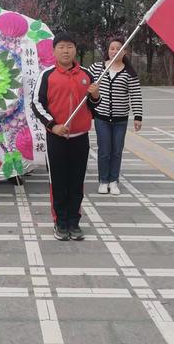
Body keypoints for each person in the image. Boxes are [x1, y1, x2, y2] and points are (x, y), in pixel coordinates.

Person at [32, 32, 101, 241]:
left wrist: (96, 96)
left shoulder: (87, 75)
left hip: (80, 138)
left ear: (75, 50)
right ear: (54, 51)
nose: (65, 50)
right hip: (56, 138)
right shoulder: (47, 75)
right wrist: (53, 125)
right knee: (59, 182)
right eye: (61, 47)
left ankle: (74, 221)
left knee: (76, 181)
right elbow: (37, 104)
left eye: (69, 46)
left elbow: (94, 108)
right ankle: (60, 222)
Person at [88, 37, 143, 195]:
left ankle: (113, 181)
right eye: (112, 48)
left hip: (120, 120)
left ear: (124, 52)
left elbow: (136, 95)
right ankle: (103, 181)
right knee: (104, 150)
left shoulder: (129, 73)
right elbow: (83, 79)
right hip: (101, 118)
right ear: (108, 51)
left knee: (116, 150)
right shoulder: (97, 68)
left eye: (118, 48)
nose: (114, 51)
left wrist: (138, 117)